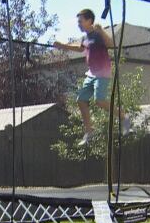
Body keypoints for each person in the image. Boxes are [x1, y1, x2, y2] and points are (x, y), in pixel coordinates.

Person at [53, 8, 131, 146]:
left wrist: (101, 31)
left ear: (89, 21)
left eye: (80, 21)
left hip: (103, 72)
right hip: (91, 73)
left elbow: (111, 45)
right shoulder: (86, 37)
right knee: (81, 100)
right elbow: (80, 48)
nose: (78, 24)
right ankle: (89, 131)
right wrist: (62, 45)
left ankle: (124, 117)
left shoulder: (97, 34)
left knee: (99, 101)